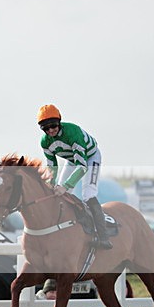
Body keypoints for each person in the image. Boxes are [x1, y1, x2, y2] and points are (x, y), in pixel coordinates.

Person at [37, 104, 112, 249]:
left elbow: (82, 166)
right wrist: (51, 184)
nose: (51, 130)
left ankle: (104, 237)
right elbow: (52, 166)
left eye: (53, 125)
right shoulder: (45, 142)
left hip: (89, 158)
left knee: (88, 194)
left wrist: (65, 186)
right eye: (46, 128)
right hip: (72, 160)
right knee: (60, 194)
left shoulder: (72, 132)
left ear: (59, 122)